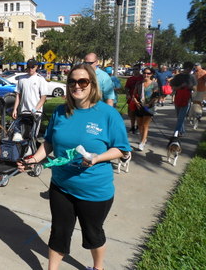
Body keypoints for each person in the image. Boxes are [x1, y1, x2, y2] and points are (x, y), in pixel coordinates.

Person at [18, 64, 130, 270]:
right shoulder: (61, 111)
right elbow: (49, 142)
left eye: (82, 81)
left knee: (93, 234)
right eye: (72, 81)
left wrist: (98, 157)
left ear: (92, 85)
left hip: (94, 189)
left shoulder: (108, 113)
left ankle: (98, 267)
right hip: (61, 186)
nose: (76, 86)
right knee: (59, 232)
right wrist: (34, 159)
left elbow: (121, 149)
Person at [12, 58, 48, 141]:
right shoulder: (21, 79)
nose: (30, 69)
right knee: (23, 135)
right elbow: (18, 95)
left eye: (32, 67)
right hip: (24, 111)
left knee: (33, 135)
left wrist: (36, 109)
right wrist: (15, 109)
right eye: (28, 67)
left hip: (36, 113)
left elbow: (43, 97)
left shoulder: (40, 79)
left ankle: (33, 151)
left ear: (36, 67)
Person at [132, 67, 159, 151]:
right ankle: (143, 138)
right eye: (144, 73)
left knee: (145, 125)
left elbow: (156, 97)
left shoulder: (154, 84)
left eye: (148, 73)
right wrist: (136, 102)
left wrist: (149, 104)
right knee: (139, 125)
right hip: (139, 106)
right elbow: (133, 95)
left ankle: (143, 142)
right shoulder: (139, 83)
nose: (146, 75)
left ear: (151, 74)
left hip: (149, 107)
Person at [170, 62, 196, 136]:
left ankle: (176, 132)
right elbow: (173, 88)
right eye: (187, 68)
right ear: (185, 68)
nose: (188, 70)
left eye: (190, 69)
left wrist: (189, 87)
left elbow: (195, 88)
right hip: (178, 98)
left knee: (181, 117)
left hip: (187, 99)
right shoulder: (178, 76)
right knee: (179, 117)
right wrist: (181, 86)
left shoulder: (192, 77)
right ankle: (181, 131)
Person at [124, 66, 143, 134]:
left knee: (139, 114)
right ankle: (132, 126)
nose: (135, 70)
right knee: (131, 113)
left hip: (140, 99)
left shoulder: (142, 78)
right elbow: (126, 88)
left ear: (139, 70)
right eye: (134, 69)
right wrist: (127, 94)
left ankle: (138, 127)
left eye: (136, 69)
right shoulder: (130, 79)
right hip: (131, 99)